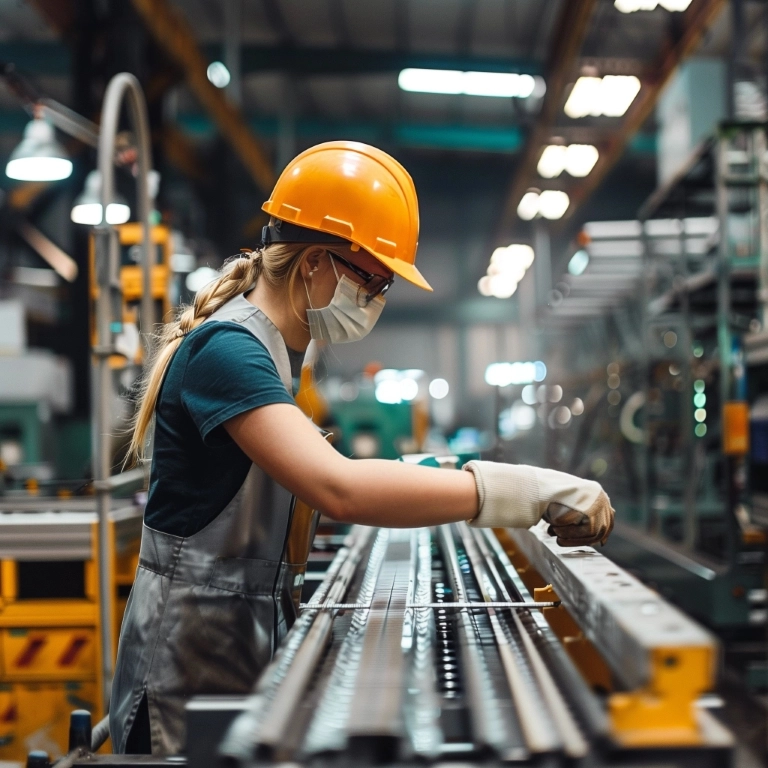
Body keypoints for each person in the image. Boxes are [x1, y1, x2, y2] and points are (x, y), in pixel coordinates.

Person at [110, 141, 615, 755]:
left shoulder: (271, 350)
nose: (375, 300)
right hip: (186, 658)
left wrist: (445, 470)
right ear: (317, 262)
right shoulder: (231, 350)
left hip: (234, 635)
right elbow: (338, 487)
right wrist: (522, 491)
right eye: (372, 280)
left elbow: (322, 477)